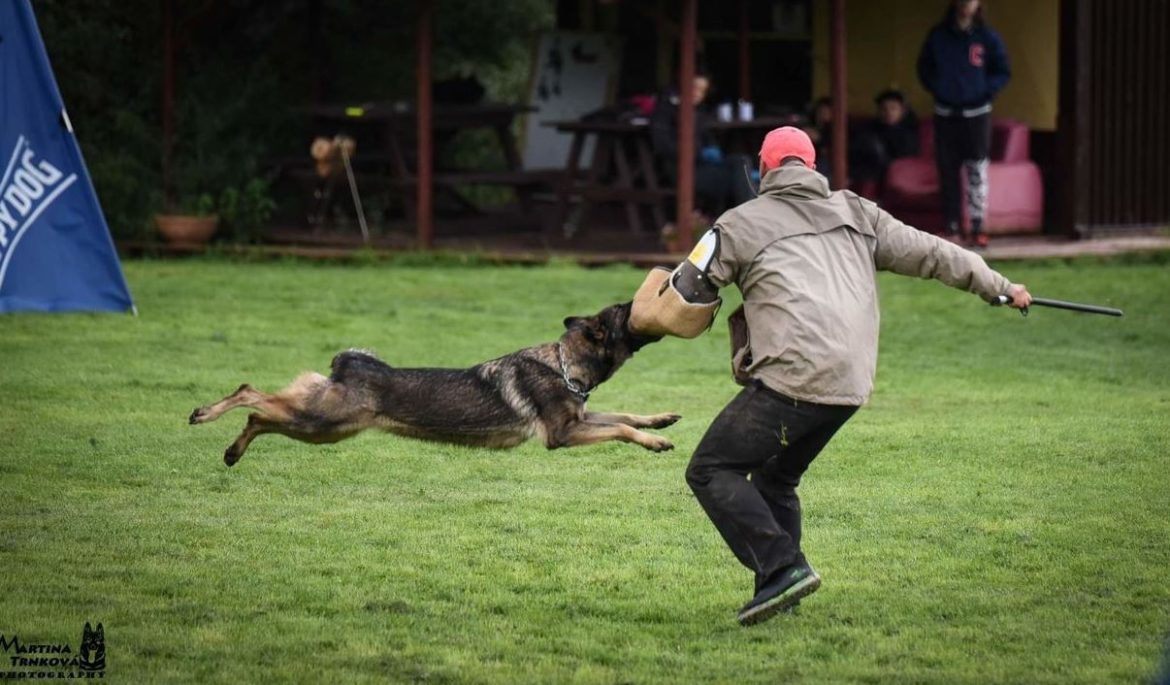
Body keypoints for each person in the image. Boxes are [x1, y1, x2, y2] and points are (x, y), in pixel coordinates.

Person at [627, 126, 1031, 626]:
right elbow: (934, 252)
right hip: (851, 380)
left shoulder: (737, 223)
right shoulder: (857, 211)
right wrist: (999, 287)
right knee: (776, 479)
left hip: (794, 376)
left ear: (764, 170)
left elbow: (684, 289)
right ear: (812, 167)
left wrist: (632, 325)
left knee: (711, 469)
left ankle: (782, 568)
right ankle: (781, 594)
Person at [917, 0, 1011, 247]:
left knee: (977, 169)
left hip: (977, 114)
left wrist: (984, 92)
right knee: (947, 169)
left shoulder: (988, 38)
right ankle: (952, 226)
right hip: (945, 113)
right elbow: (924, 68)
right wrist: (940, 89)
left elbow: (1002, 71)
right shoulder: (938, 36)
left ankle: (978, 226)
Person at [649, 73, 755, 225]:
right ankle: (748, 222)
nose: (697, 94)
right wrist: (699, 153)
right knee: (742, 180)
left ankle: (748, 219)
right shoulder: (665, 111)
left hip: (704, 166)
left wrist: (712, 149)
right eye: (694, 88)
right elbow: (663, 145)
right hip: (681, 169)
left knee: (742, 162)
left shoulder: (698, 112)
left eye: (702, 91)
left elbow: (707, 138)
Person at [850, 89, 920, 187]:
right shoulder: (872, 128)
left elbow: (907, 157)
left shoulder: (909, 130)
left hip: (899, 173)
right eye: (884, 109)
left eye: (893, 108)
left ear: (903, 111)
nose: (888, 112)